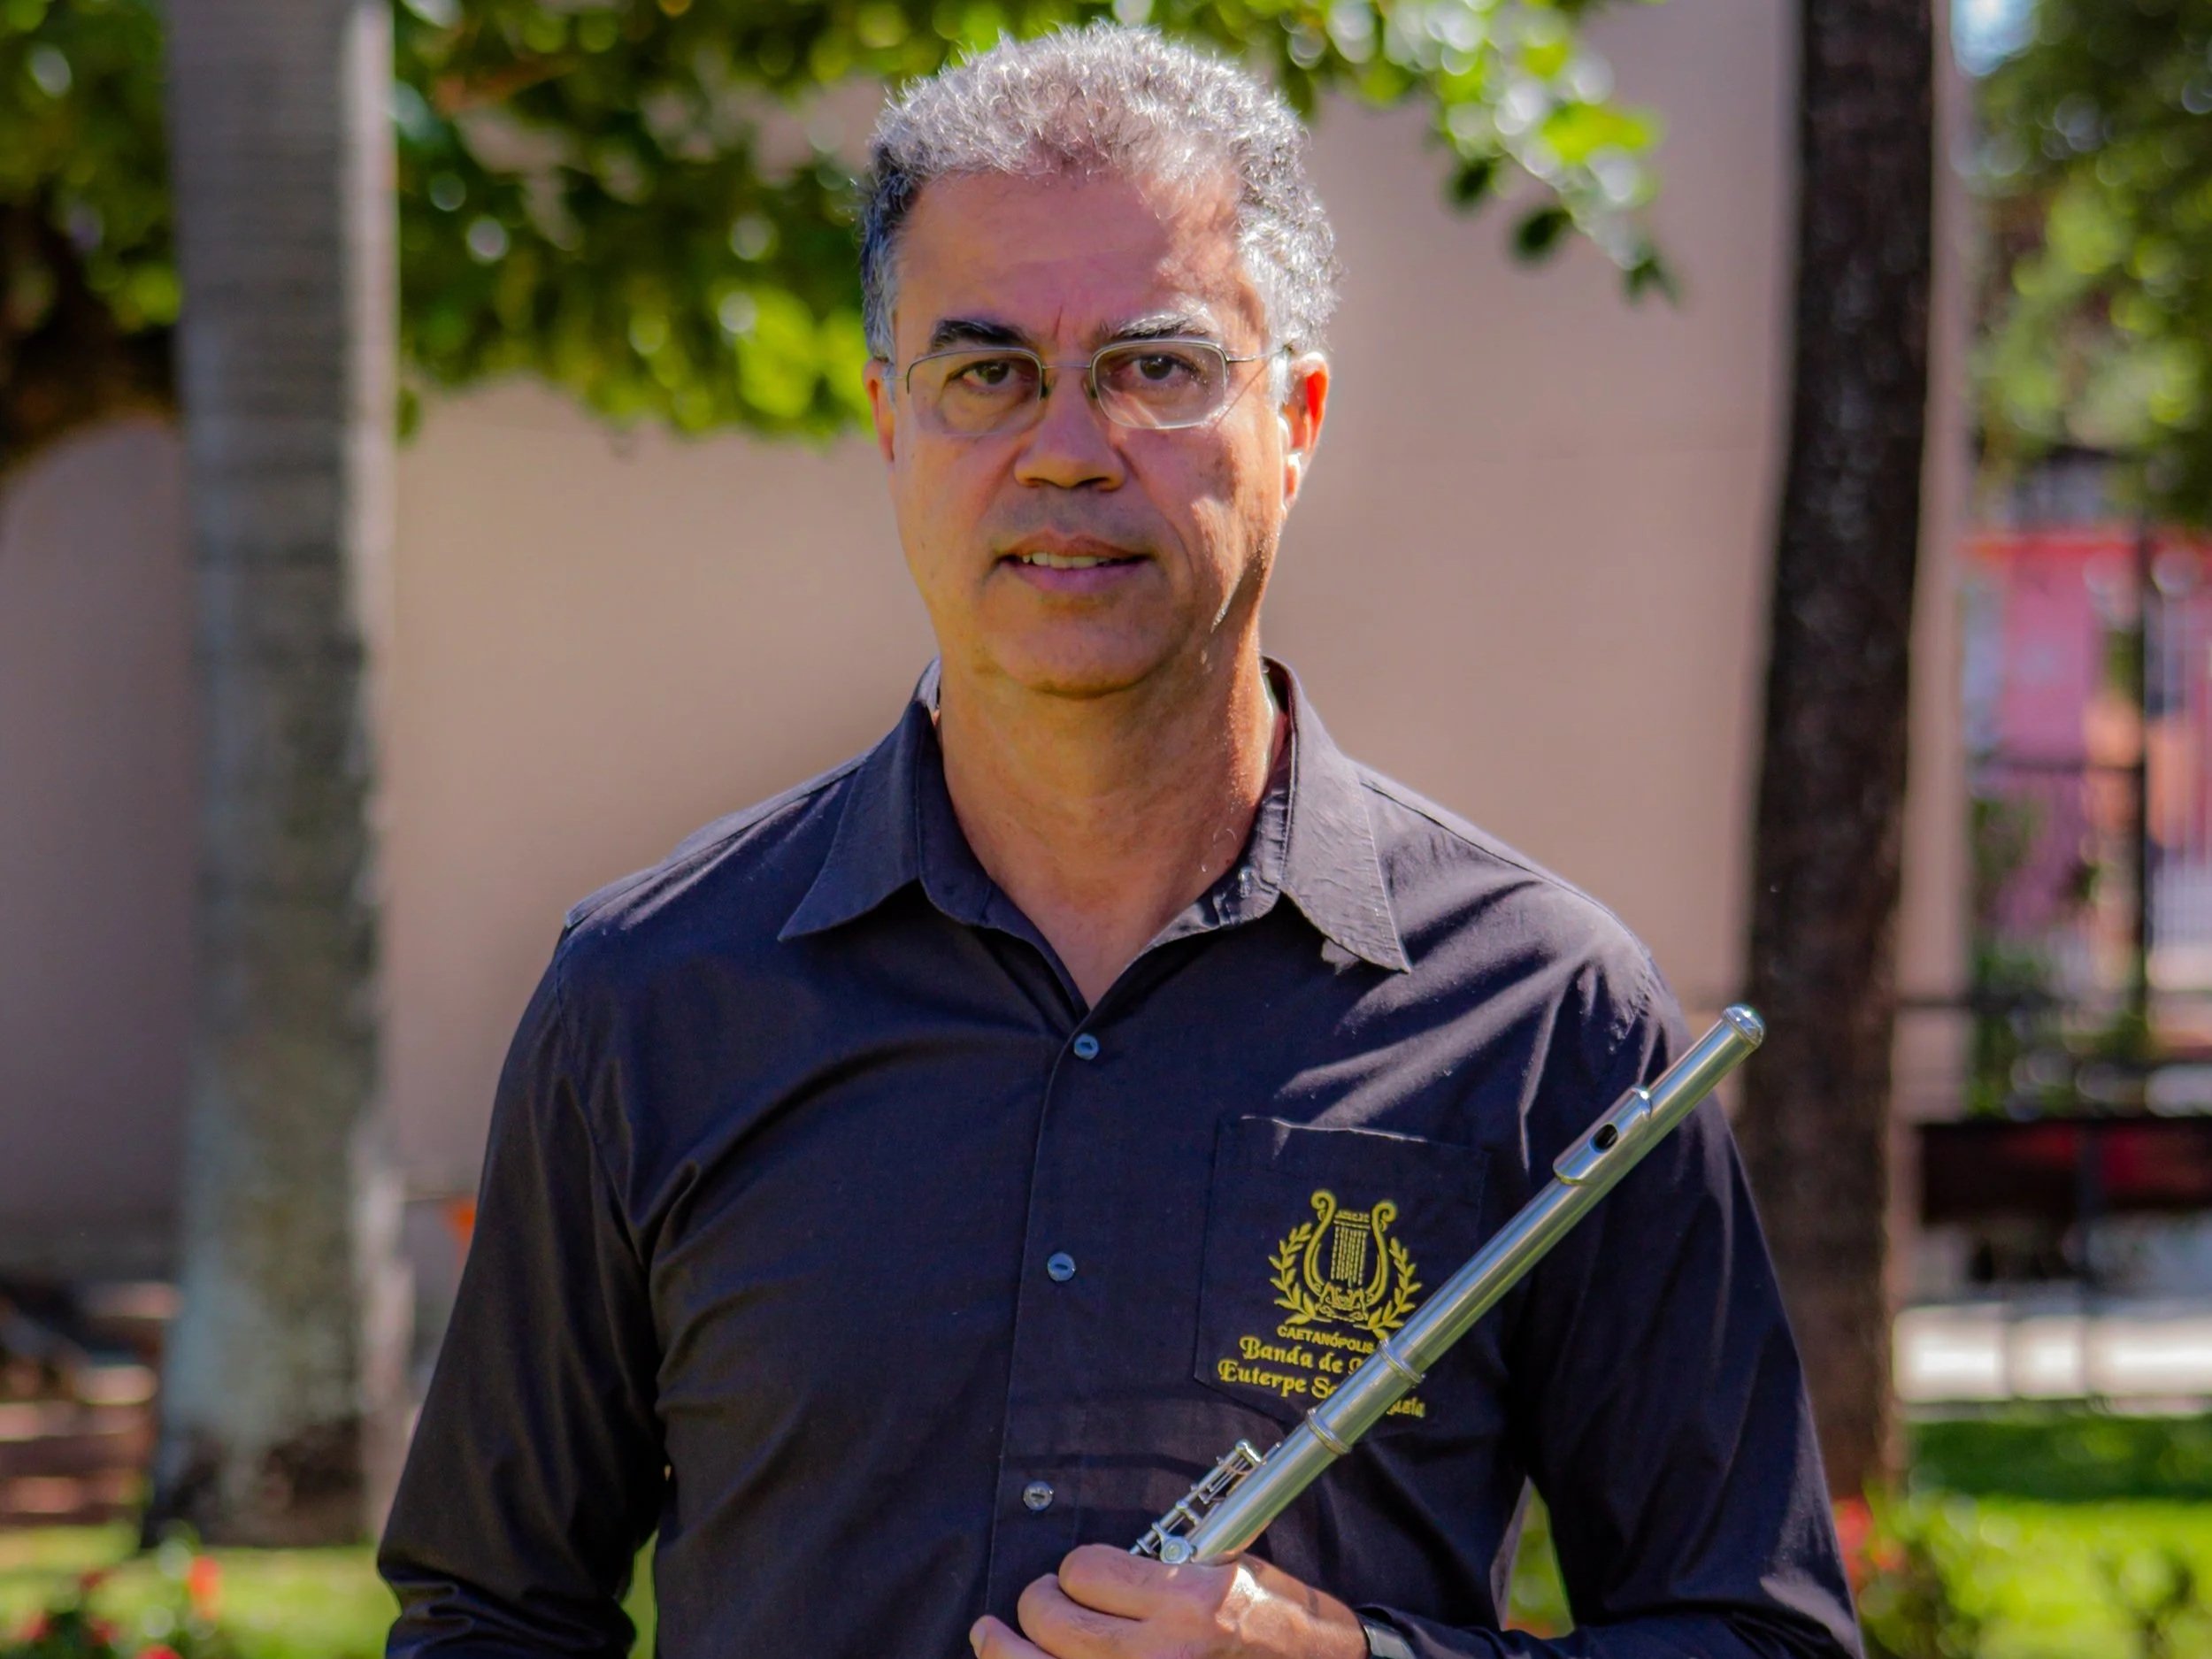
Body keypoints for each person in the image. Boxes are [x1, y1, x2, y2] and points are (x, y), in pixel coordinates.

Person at [379, 24, 1862, 1659]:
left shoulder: (1552, 1019)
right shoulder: (651, 998)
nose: (1069, 446)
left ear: (1295, 421)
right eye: (987, 372)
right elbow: (487, 1614)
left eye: (1158, 367)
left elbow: (1762, 1638)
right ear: (891, 420)